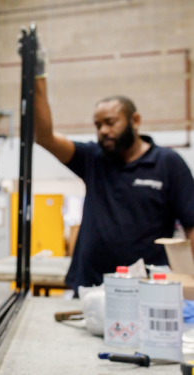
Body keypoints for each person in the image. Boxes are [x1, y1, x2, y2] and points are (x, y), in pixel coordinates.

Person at [22, 33, 194, 291]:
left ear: (135, 120)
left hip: (146, 291)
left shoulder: (167, 164)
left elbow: (191, 226)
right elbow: (45, 138)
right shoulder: (93, 159)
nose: (102, 131)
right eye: (98, 125)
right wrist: (38, 75)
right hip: (90, 287)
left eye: (110, 123)